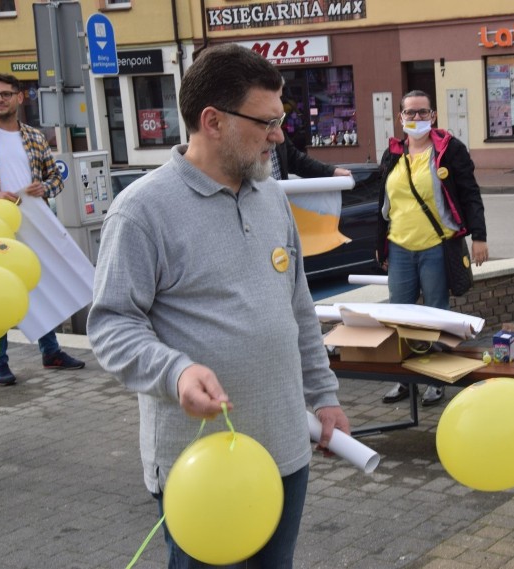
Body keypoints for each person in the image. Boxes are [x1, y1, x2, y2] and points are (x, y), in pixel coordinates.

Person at [86, 44, 350, 568]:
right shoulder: (140, 212)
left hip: (285, 450)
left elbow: (298, 308)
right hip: (199, 465)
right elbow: (112, 325)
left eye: (281, 121)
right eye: (267, 122)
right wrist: (176, 372)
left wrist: (324, 396)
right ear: (213, 121)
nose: (279, 135)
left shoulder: (271, 195)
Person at [375, 90, 488, 406]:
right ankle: (404, 380)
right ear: (400, 117)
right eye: (409, 113)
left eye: (422, 113)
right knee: (400, 314)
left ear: (433, 116)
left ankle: (435, 380)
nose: (416, 118)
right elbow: (382, 204)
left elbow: (469, 194)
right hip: (399, 246)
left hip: (436, 246)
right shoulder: (393, 153)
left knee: (435, 313)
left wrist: (479, 236)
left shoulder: (450, 150)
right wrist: (379, 246)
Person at [0, 73, 85, 386]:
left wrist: (42, 187)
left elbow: (56, 179)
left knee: (39, 286)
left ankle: (51, 351)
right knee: (0, 292)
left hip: (33, 223)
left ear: (19, 97)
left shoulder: (34, 136)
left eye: (5, 94)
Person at [269, 135, 351, 181]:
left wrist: (332, 171)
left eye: (279, 122)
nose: (281, 138)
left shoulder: (277, 135)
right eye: (271, 122)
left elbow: (296, 160)